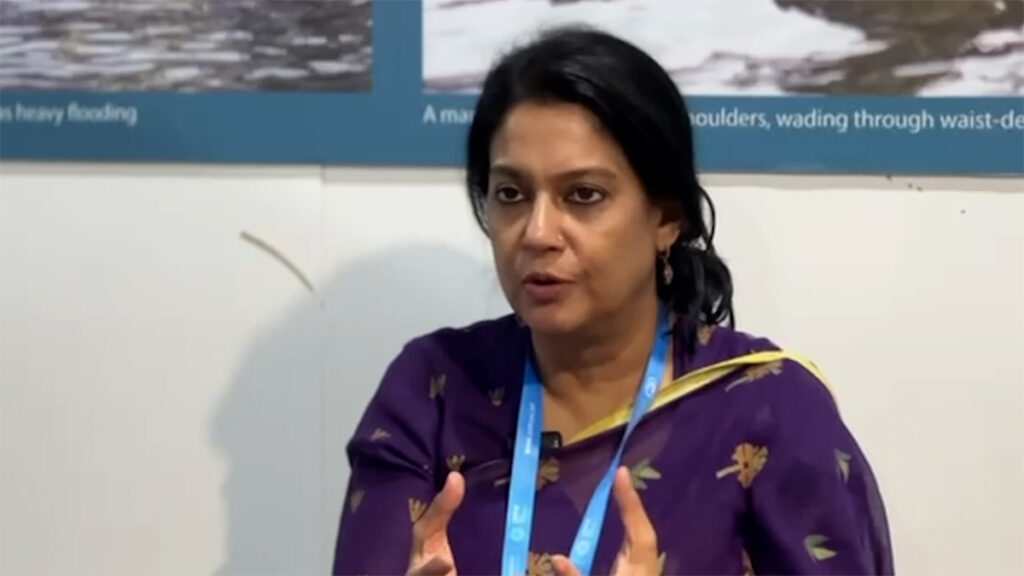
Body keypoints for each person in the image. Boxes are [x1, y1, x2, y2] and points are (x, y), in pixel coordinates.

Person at [331, 26, 893, 576]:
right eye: (511, 194)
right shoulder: (434, 392)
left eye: (584, 195)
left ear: (666, 219)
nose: (537, 232)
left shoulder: (770, 407)